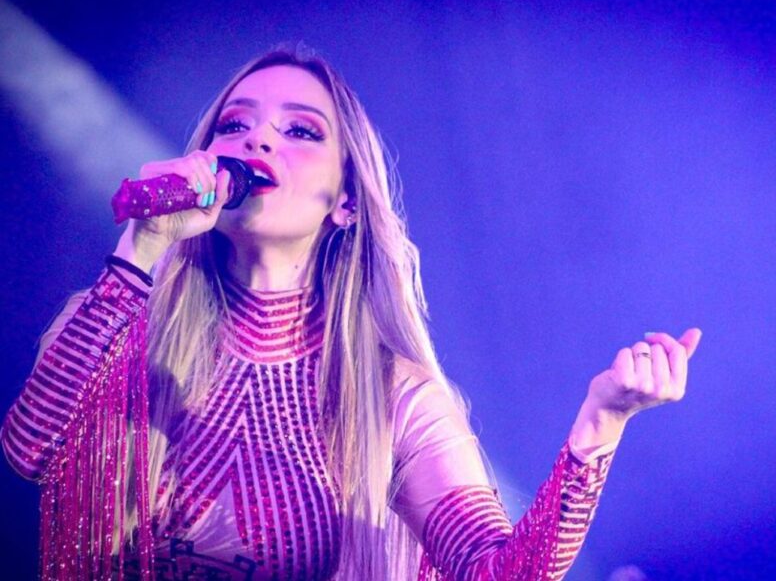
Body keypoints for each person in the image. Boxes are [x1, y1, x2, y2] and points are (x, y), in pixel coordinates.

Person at [1, 47, 702, 581]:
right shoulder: (117, 327)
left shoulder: (393, 397)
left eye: (300, 131)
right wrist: (142, 244)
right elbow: (26, 451)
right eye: (235, 125)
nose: (259, 141)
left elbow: (499, 573)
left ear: (344, 202)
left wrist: (599, 426)